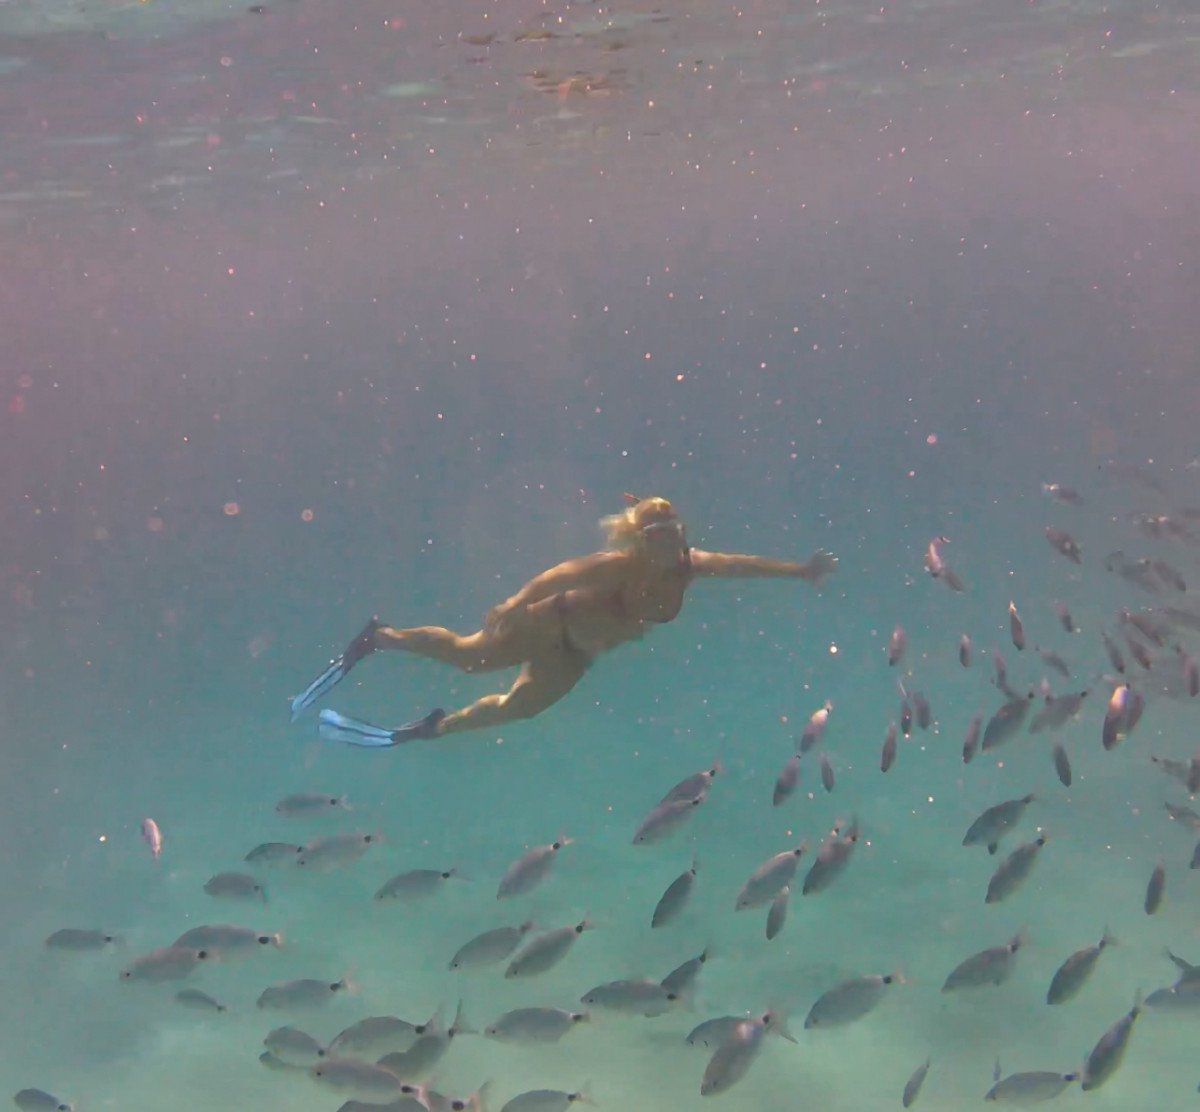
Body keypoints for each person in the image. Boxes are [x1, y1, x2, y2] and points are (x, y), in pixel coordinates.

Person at [290, 494, 838, 746]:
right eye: (656, 537)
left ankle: (429, 730)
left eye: (673, 532)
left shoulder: (693, 568)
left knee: (521, 708)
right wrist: (510, 605)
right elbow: (557, 576)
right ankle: (380, 637)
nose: (670, 544)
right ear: (638, 540)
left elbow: (743, 565)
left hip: (576, 651)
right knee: (469, 657)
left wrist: (798, 572)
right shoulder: (619, 564)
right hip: (549, 622)